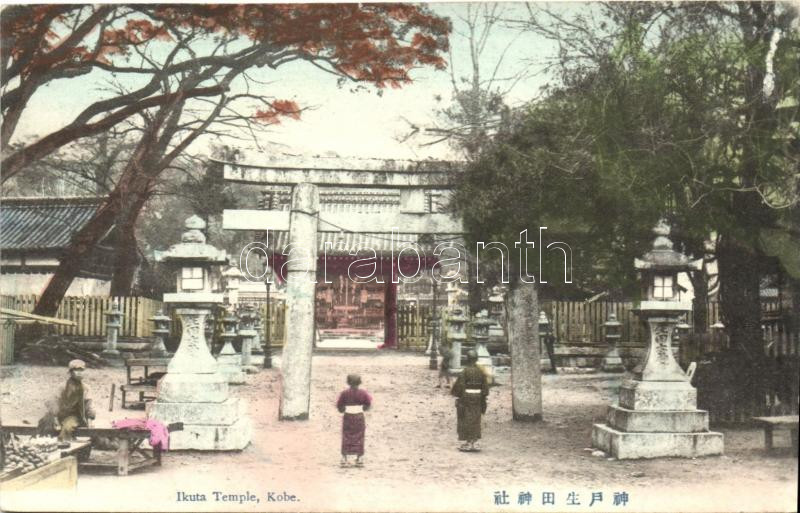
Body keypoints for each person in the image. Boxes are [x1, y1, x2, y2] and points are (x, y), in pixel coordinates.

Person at [451, 350, 489, 452]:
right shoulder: (481, 372)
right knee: (476, 419)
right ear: (476, 359)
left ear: (467, 359)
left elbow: (460, 386)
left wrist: (459, 396)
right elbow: (485, 388)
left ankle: (468, 442)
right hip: (478, 397)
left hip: (466, 397)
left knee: (466, 419)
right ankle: (474, 442)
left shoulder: (465, 371)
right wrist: (482, 397)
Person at [336, 374, 372, 467]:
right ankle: (359, 458)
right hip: (359, 416)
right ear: (359, 382)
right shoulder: (363, 393)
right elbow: (368, 403)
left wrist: (344, 409)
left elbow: (339, 406)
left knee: (346, 436)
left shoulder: (344, 393)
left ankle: (344, 458)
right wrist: (362, 408)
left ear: (348, 382)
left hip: (348, 416)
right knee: (359, 436)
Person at [56, 359, 95, 443]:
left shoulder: (85, 388)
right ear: (71, 372)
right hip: (62, 414)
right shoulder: (63, 387)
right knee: (45, 424)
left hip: (77, 416)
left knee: (68, 426)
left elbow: (88, 404)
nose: (79, 373)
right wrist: (54, 417)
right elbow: (55, 401)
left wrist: (90, 419)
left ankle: (65, 445)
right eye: (76, 370)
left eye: (81, 370)